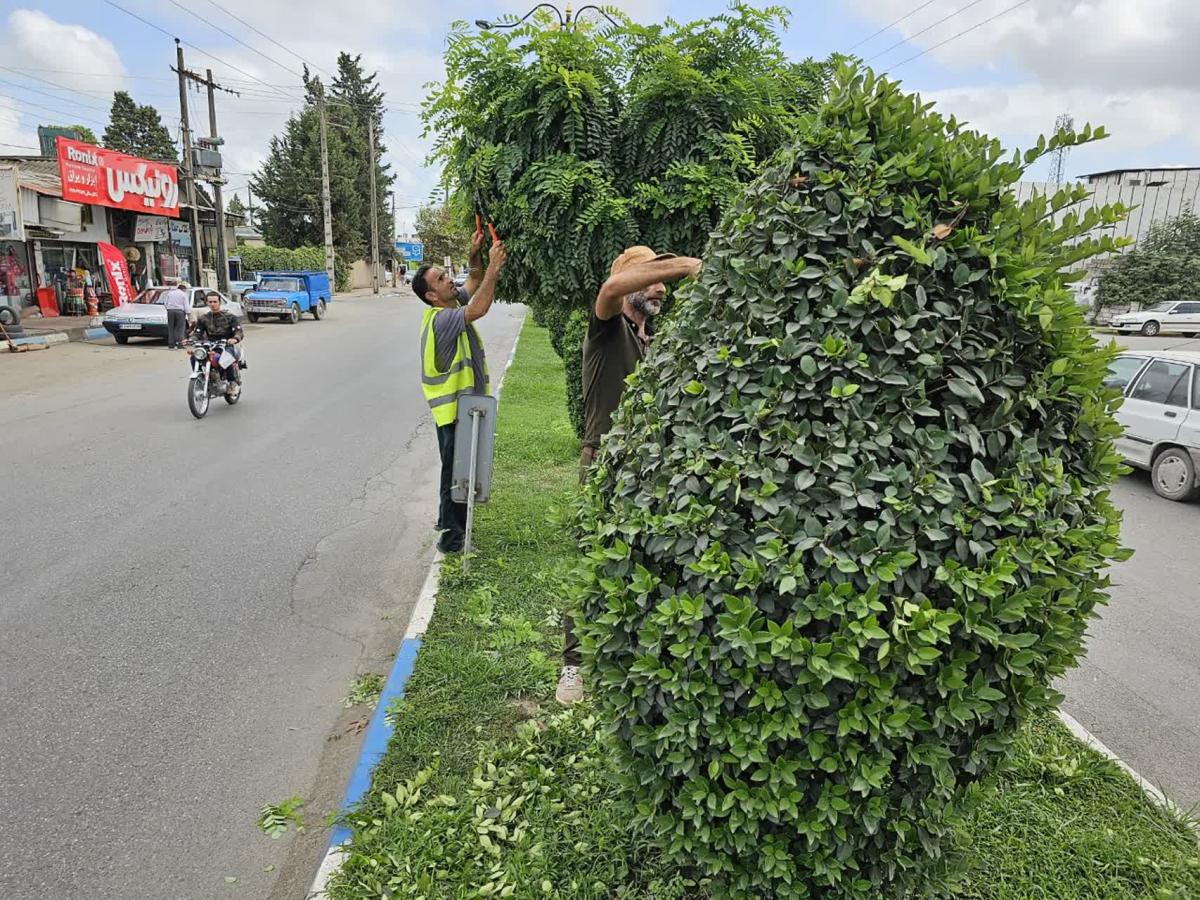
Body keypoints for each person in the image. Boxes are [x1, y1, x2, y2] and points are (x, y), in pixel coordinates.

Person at [557, 245, 702, 705]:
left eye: (662, 280)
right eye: (651, 277)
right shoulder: (607, 327)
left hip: (645, 468)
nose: (660, 287)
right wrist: (687, 267)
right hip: (603, 461)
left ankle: (624, 657)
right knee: (592, 562)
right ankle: (573, 666)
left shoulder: (647, 339)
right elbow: (610, 288)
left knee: (637, 561)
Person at [414, 229, 507, 554]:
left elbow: (473, 281)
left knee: (454, 472)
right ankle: (452, 541)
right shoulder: (444, 319)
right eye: (441, 279)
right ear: (432, 295)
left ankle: (448, 526)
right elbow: (479, 307)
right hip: (454, 411)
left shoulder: (451, 304)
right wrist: (495, 266)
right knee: (456, 476)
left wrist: (475, 254)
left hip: (460, 409)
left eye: (446, 274)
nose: (449, 280)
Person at [191, 291, 245, 392]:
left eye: (215, 302)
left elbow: (238, 331)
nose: (212, 304)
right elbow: (197, 332)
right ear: (207, 303)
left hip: (226, 344)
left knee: (226, 358)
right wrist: (191, 339)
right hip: (209, 344)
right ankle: (200, 378)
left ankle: (232, 383)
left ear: (219, 302)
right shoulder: (204, 318)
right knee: (195, 356)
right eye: (210, 302)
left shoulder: (230, 317)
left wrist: (235, 338)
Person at [163, 281, 190, 350]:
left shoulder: (170, 293)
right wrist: (188, 314)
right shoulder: (183, 294)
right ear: (183, 289)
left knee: (171, 328)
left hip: (170, 311)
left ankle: (171, 344)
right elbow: (186, 305)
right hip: (180, 312)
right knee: (180, 328)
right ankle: (180, 344)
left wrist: (169, 309)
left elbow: (165, 303)